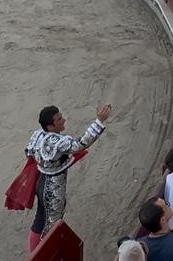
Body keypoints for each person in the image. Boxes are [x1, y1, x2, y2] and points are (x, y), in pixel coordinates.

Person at [27, 103, 112, 250]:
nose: (64, 120)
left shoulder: (38, 134)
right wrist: (99, 121)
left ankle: (36, 251)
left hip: (41, 182)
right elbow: (81, 143)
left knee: (41, 219)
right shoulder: (57, 142)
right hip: (53, 190)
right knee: (52, 226)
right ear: (50, 126)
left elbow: (29, 153)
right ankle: (42, 253)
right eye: (59, 119)